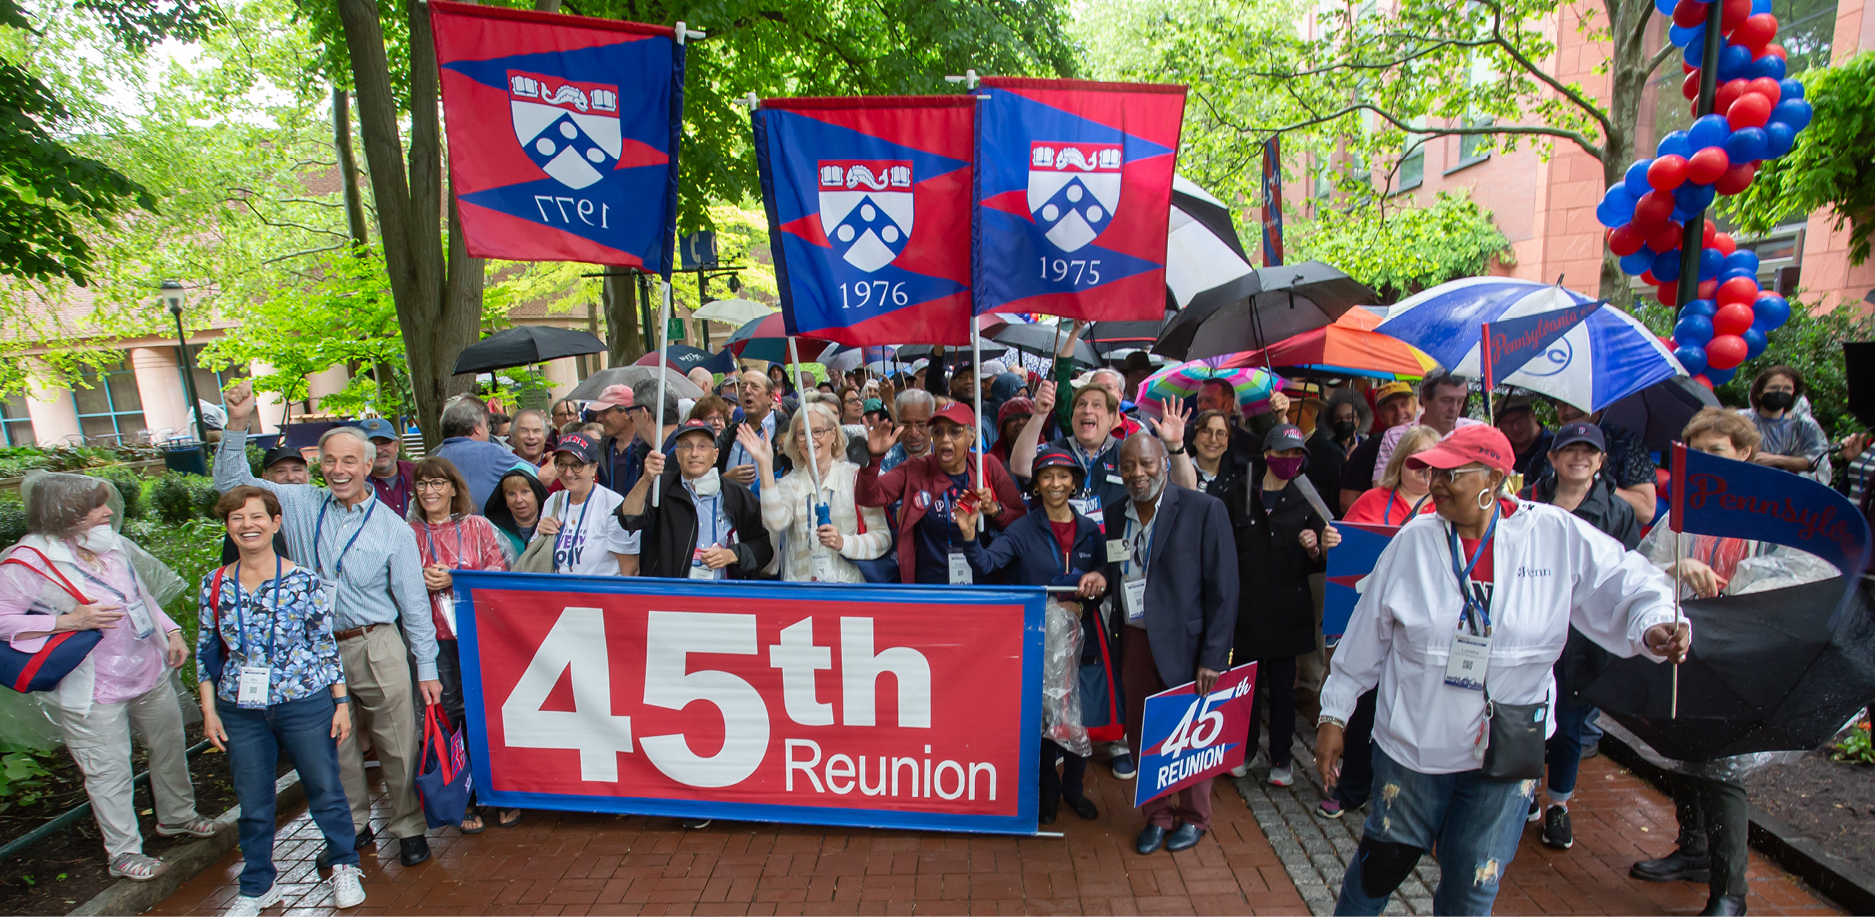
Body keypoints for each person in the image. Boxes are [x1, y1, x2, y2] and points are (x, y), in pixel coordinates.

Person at [1316, 425, 1690, 916]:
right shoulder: (1414, 543)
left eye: (1452, 473)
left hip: (1506, 749)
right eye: (1435, 472)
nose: (1437, 482)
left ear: (1494, 479)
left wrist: (1656, 624)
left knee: (1474, 883)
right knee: (1379, 866)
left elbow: (1628, 581)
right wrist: (1334, 714)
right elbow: (1367, 636)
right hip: (1415, 745)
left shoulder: (1554, 534)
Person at [215, 380, 443, 869]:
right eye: (330, 460)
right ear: (320, 462)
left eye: (349, 462)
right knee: (334, 745)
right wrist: (237, 425)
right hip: (314, 649)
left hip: (376, 642)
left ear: (368, 466)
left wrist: (426, 666)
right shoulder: (297, 505)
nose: (339, 470)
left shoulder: (393, 529)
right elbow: (230, 487)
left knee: (397, 741)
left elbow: (414, 605)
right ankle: (352, 826)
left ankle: (408, 828)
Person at [1626, 407, 1834, 916]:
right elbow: (1644, 567)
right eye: (1695, 453)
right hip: (1689, 645)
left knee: (1720, 765)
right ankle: (1693, 847)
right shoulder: (1689, 511)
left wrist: (1738, 581)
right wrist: (1677, 564)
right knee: (1680, 742)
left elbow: (1806, 570)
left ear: (1744, 452)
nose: (1704, 461)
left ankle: (1730, 892)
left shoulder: (1775, 508)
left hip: (1747, 649)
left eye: (1715, 451)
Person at [0, 473, 213, 881]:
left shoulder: (106, 544)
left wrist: (170, 630)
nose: (108, 512)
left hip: (147, 671)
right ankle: (124, 853)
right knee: (108, 770)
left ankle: (177, 816)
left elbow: (138, 595)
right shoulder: (26, 562)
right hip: (92, 687)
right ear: (67, 512)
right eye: (97, 506)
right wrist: (66, 621)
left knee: (169, 746)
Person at [199, 486, 365, 915]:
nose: (247, 525)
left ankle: (345, 864)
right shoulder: (215, 583)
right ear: (228, 527)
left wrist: (341, 702)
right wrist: (208, 710)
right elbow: (206, 650)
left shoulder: (304, 580)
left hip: (303, 699)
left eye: (257, 517)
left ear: (275, 524)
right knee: (252, 800)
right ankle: (257, 886)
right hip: (240, 707)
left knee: (324, 787)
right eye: (237, 518)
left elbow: (324, 645)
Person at [955, 448, 1109, 824]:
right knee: (1043, 719)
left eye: (1063, 476)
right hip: (1039, 641)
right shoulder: (1023, 529)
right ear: (1037, 485)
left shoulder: (1090, 530)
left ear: (1075, 482)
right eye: (1046, 476)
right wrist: (969, 534)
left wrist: (1097, 586)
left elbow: (1106, 576)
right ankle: (1047, 792)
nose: (1055, 484)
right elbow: (987, 563)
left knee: (1077, 716)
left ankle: (1074, 788)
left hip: (1083, 639)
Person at [1102, 434, 1238, 854]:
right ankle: (1157, 815)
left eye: (1145, 464)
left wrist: (1213, 657)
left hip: (1188, 645)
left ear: (1163, 461)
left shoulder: (1202, 509)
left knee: (1191, 731)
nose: (1137, 474)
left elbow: (1225, 589)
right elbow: (1112, 570)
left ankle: (1195, 817)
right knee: (1145, 732)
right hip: (1135, 642)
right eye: (1128, 466)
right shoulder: (1113, 513)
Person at [1517, 421, 1639, 851]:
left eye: (1590, 451)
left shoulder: (1617, 513)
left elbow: (1625, 575)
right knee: (1526, 717)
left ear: (1602, 461)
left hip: (1584, 640)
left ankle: (1559, 804)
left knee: (1568, 726)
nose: (1579, 457)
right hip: (1530, 630)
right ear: (1552, 457)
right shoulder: (1524, 499)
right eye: (1570, 449)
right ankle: (1525, 790)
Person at [1218, 424, 1340, 787]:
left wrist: (1315, 547)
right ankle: (1245, 748)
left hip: (1289, 608)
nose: (1290, 461)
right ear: (1268, 452)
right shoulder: (1239, 492)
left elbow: (1323, 554)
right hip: (1247, 607)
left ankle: (1282, 757)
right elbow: (1222, 544)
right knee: (1246, 685)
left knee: (1285, 688)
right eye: (1284, 453)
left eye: (1297, 455)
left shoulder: (1307, 497)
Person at [406, 457, 519, 832]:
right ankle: (464, 796)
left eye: (438, 483)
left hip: (478, 636)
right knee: (450, 716)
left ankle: (502, 791)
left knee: (489, 713)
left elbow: (501, 572)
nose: (430, 491)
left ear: (454, 488)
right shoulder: (406, 533)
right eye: (422, 484)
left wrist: (456, 577)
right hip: (433, 642)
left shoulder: (479, 527)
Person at [855, 402, 1027, 584]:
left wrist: (995, 509)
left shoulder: (987, 467)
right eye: (938, 432)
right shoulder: (916, 468)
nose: (945, 439)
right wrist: (873, 460)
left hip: (982, 585)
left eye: (955, 432)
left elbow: (1021, 522)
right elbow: (869, 497)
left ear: (971, 436)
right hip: (930, 587)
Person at [743, 402, 890, 582]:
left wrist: (843, 543)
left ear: (833, 434)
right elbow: (776, 522)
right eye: (803, 434)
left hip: (848, 594)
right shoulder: (790, 484)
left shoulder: (855, 478)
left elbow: (883, 539)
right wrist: (765, 465)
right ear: (795, 441)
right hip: (801, 596)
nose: (811, 439)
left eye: (818, 431)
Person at [1011, 380, 1197, 520]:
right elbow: (1020, 466)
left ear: (1111, 418)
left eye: (1096, 405)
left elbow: (1186, 487)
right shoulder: (1055, 450)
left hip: (1113, 551)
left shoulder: (1128, 452)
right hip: (1060, 550)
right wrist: (1039, 414)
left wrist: (1175, 446)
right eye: (1081, 405)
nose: (1087, 410)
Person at [619, 419, 773, 585]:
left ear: (715, 455)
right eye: (687, 446)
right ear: (677, 455)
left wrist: (733, 555)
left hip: (724, 595)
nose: (694, 453)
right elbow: (628, 518)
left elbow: (763, 547)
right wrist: (646, 479)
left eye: (702, 446)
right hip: (670, 594)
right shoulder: (661, 487)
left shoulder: (737, 494)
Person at [536, 433, 638, 576]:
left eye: (577, 465)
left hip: (599, 595)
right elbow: (535, 556)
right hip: (557, 594)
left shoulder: (613, 504)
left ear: (594, 467)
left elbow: (630, 569)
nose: (568, 473)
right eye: (562, 464)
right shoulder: (553, 501)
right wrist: (541, 534)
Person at [1553, 400, 1660, 524]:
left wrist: (1602, 486)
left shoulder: (1624, 442)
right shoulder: (1553, 445)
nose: (1569, 411)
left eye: (1576, 404)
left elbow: (1646, 511)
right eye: (1562, 404)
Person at [1370, 372, 1484, 482]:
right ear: (1425, 399)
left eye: (1460, 401)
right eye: (1446, 400)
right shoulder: (1396, 436)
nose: (1454, 408)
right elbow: (1382, 488)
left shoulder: (1477, 431)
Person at [431, 396, 535, 513]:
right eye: (487, 426)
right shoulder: (491, 451)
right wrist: (555, 460)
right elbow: (543, 477)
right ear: (477, 428)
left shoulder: (433, 458)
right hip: (488, 529)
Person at [1740, 364, 1830, 484]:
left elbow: (1816, 461)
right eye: (1774, 388)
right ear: (1759, 392)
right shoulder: (1742, 419)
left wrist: (1774, 459)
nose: (1780, 393)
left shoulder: (1804, 425)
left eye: (1787, 388)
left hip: (1786, 489)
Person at [1340, 382, 1418, 514]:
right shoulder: (1366, 451)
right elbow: (1346, 502)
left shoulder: (1427, 442)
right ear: (1380, 415)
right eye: (1391, 407)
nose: (1399, 412)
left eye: (1404, 405)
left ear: (1415, 408)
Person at [1343, 426, 1443, 526]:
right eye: (1419, 456)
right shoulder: (1370, 500)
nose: (1427, 463)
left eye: (1432, 457)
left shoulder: (1449, 504)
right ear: (1400, 460)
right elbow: (1344, 538)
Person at [218, 446, 300, 565]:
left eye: (297, 470)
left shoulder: (316, 513)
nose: (290, 477)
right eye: (280, 471)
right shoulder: (246, 525)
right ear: (265, 477)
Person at [720, 369, 792, 497]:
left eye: (755, 387)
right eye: (743, 387)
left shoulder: (788, 430)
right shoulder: (729, 434)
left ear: (770, 397)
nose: (747, 391)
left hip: (774, 507)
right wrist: (725, 478)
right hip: (734, 511)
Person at [1308, 389, 1368, 513]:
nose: (1343, 422)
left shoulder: (1367, 446)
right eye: (1337, 418)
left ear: (1358, 420)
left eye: (1349, 417)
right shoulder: (1325, 449)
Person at [584, 384, 641, 495]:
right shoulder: (601, 448)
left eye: (604, 412)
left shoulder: (649, 448)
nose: (598, 419)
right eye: (598, 413)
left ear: (627, 412)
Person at [485, 467, 548, 560]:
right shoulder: (488, 527)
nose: (518, 500)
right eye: (511, 494)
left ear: (537, 495)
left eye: (525, 492)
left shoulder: (554, 525)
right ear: (505, 499)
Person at [357, 418, 417, 515]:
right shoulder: (356, 481)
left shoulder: (417, 473)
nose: (379, 450)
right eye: (371, 444)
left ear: (396, 445)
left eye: (384, 443)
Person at [1494, 396, 1553, 483]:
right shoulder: (1499, 449)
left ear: (1533, 415)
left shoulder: (1553, 446)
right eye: (1507, 422)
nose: (1515, 427)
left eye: (1520, 418)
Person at [880, 388, 934, 474]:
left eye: (921, 425)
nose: (913, 433)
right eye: (906, 426)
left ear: (932, 421)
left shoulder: (945, 456)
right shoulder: (886, 462)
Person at [986, 396, 1035, 473]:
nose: (1021, 422)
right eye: (1013, 418)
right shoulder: (992, 460)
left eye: (1026, 417)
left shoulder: (1045, 451)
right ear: (1003, 426)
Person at [508, 408, 556, 483]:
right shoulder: (505, 463)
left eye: (536, 431)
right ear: (513, 435)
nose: (531, 436)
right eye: (524, 431)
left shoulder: (559, 468)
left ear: (545, 436)